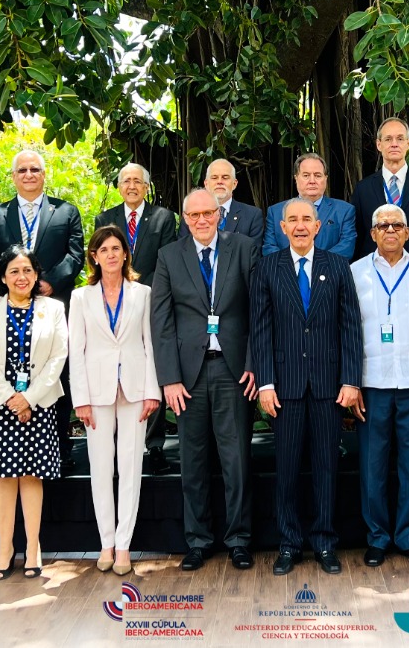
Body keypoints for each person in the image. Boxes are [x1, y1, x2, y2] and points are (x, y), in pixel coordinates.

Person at [251, 198, 363, 576]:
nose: (300, 225)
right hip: (284, 388)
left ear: (318, 226)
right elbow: (261, 330)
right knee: (285, 470)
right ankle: (288, 543)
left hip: (330, 387)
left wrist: (351, 380)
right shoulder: (267, 268)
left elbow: (350, 326)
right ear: (282, 228)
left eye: (307, 219)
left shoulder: (337, 266)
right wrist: (265, 383)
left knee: (326, 468)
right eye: (292, 220)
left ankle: (325, 543)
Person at [152, 189, 260, 572]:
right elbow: (161, 323)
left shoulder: (244, 248)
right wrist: (169, 380)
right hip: (188, 378)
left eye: (207, 213)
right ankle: (197, 541)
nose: (201, 220)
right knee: (193, 462)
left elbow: (257, 311)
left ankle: (239, 540)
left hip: (234, 371)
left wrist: (253, 363)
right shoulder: (169, 256)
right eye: (193, 215)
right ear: (184, 218)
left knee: (237, 462)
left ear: (219, 214)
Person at [0, 150, 84, 469]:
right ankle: (11, 449)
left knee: (54, 373)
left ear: (44, 174)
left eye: (34, 169)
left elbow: (75, 255)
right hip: (9, 310)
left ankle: (60, 450)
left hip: (52, 305)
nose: (28, 175)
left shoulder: (66, 212)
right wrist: (15, 283)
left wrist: (48, 283)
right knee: (11, 372)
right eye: (21, 170)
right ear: (13, 176)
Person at [0, 246, 69, 580]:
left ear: (37, 275)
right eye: (14, 271)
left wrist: (30, 398)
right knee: (4, 478)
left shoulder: (53, 308)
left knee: (31, 477)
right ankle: (6, 547)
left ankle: (34, 547)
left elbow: (58, 357)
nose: (21, 277)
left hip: (38, 404)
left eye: (27, 270)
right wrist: (12, 397)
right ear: (2, 277)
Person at [349, 203, 409, 568]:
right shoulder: (354, 273)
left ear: (407, 232)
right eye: (382, 225)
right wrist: (350, 383)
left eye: (396, 225)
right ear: (372, 233)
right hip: (371, 383)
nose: (389, 230)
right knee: (372, 463)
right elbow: (347, 333)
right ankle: (377, 537)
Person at [69, 226, 162, 576]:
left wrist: (153, 390)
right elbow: (75, 351)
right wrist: (81, 399)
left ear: (126, 254)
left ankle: (124, 546)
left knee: (130, 470)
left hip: (136, 390)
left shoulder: (143, 293)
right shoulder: (81, 298)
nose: (110, 254)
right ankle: (105, 542)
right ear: (94, 256)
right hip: (96, 392)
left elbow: (149, 343)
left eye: (116, 248)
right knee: (101, 470)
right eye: (103, 249)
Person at [94, 163, 179, 475]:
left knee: (151, 366)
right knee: (118, 367)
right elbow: (104, 257)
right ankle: (118, 443)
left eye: (138, 181)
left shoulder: (163, 217)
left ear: (146, 186)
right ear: (119, 187)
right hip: (113, 303)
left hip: (152, 299)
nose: (132, 186)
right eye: (126, 181)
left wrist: (141, 290)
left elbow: (167, 259)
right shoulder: (105, 219)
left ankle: (154, 444)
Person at [351, 118, 409, 260]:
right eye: (388, 139)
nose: (394, 144)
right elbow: (358, 236)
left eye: (400, 139)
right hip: (374, 271)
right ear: (379, 144)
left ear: (408, 144)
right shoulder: (363, 189)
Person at [263, 153, 358, 260]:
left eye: (317, 175)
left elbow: (346, 248)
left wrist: (312, 264)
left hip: (330, 273)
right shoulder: (276, 212)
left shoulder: (344, 211)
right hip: (286, 274)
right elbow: (269, 248)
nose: (312, 181)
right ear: (296, 178)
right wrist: (295, 265)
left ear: (325, 178)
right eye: (306, 175)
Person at [178, 159, 266, 247]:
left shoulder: (252, 215)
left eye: (225, 177)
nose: (219, 182)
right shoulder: (191, 214)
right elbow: (183, 251)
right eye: (214, 178)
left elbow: (253, 255)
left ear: (234, 184)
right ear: (206, 184)